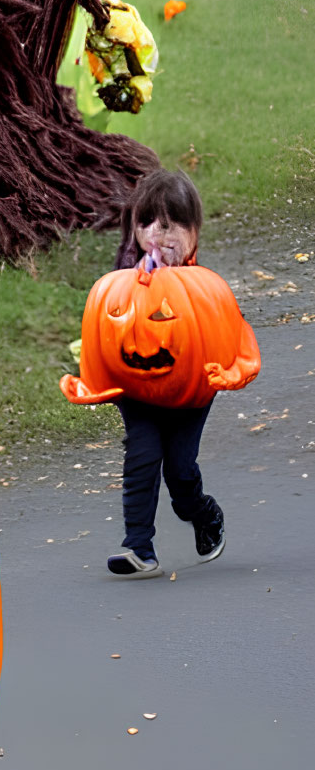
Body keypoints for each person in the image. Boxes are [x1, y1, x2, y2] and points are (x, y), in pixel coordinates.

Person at [104, 169, 252, 578]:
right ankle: (139, 548)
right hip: (138, 384)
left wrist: (234, 370)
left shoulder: (202, 285)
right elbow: (105, 329)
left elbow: (231, 332)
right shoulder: (121, 280)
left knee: (180, 471)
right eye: (146, 223)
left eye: (169, 225)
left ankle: (202, 513)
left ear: (193, 231)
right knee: (142, 454)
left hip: (191, 386)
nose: (157, 234)